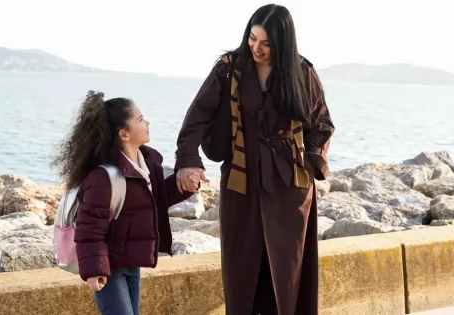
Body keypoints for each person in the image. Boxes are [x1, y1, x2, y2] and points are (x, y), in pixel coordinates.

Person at [174, 4, 335, 315]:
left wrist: (313, 157)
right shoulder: (229, 68)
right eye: (252, 39)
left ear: (283, 42)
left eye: (266, 43)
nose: (256, 49)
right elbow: (197, 115)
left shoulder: (301, 71)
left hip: (290, 185)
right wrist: (188, 159)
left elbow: (322, 124)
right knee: (242, 264)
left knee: (288, 269)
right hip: (241, 177)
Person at [52, 91, 199, 315]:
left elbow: (154, 200)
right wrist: (94, 270)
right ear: (124, 134)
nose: (147, 122)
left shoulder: (146, 165)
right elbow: (89, 228)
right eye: (140, 119)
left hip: (131, 262)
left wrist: (185, 184)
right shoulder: (104, 177)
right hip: (109, 268)